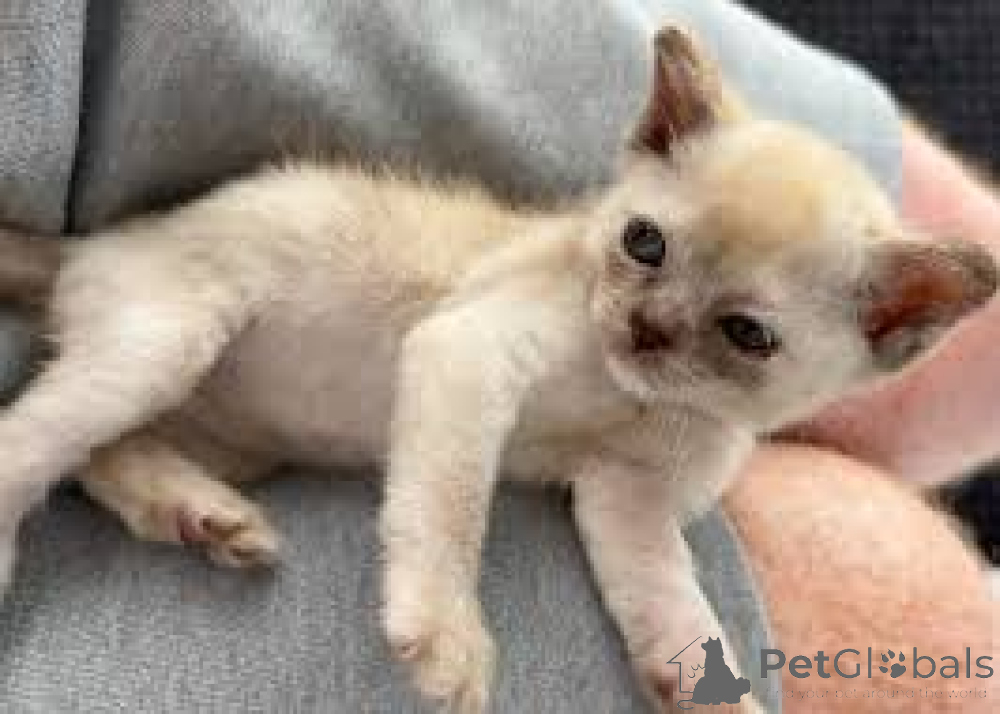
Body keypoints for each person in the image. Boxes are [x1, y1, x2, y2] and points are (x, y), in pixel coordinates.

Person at [0, 1, 993, 712]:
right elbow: (454, 356)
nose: (648, 324)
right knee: (148, 355)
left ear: (886, 332)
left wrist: (717, 692)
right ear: (655, 138)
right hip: (233, 275)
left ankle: (124, 465)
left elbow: (647, 551)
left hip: (247, 426)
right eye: (645, 247)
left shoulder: (697, 447)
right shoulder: (562, 291)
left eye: (742, 333)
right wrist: (439, 588)